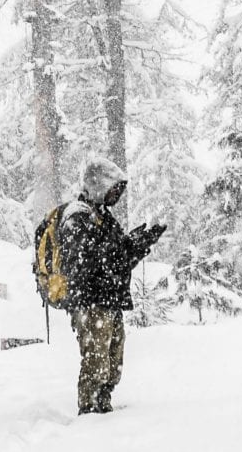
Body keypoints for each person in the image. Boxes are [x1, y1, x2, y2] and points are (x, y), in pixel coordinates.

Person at [58, 157, 165, 415]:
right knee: (97, 362)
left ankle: (103, 406)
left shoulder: (103, 217)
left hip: (108, 300)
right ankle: (90, 412)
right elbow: (88, 261)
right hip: (91, 302)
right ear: (98, 185)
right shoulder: (77, 216)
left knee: (113, 363)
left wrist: (137, 245)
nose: (116, 195)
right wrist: (125, 247)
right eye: (113, 188)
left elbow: (115, 261)